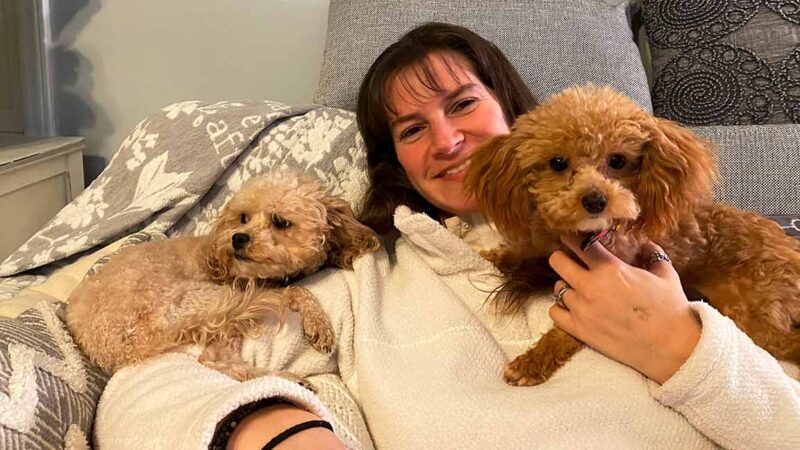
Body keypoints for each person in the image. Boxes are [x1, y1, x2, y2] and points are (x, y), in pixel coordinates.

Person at [96, 23, 800, 449]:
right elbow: (152, 376)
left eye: (464, 104)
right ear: (393, 159)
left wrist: (682, 346)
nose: (448, 139)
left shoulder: (658, 239)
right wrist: (272, 428)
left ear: (517, 113)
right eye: (410, 129)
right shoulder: (363, 280)